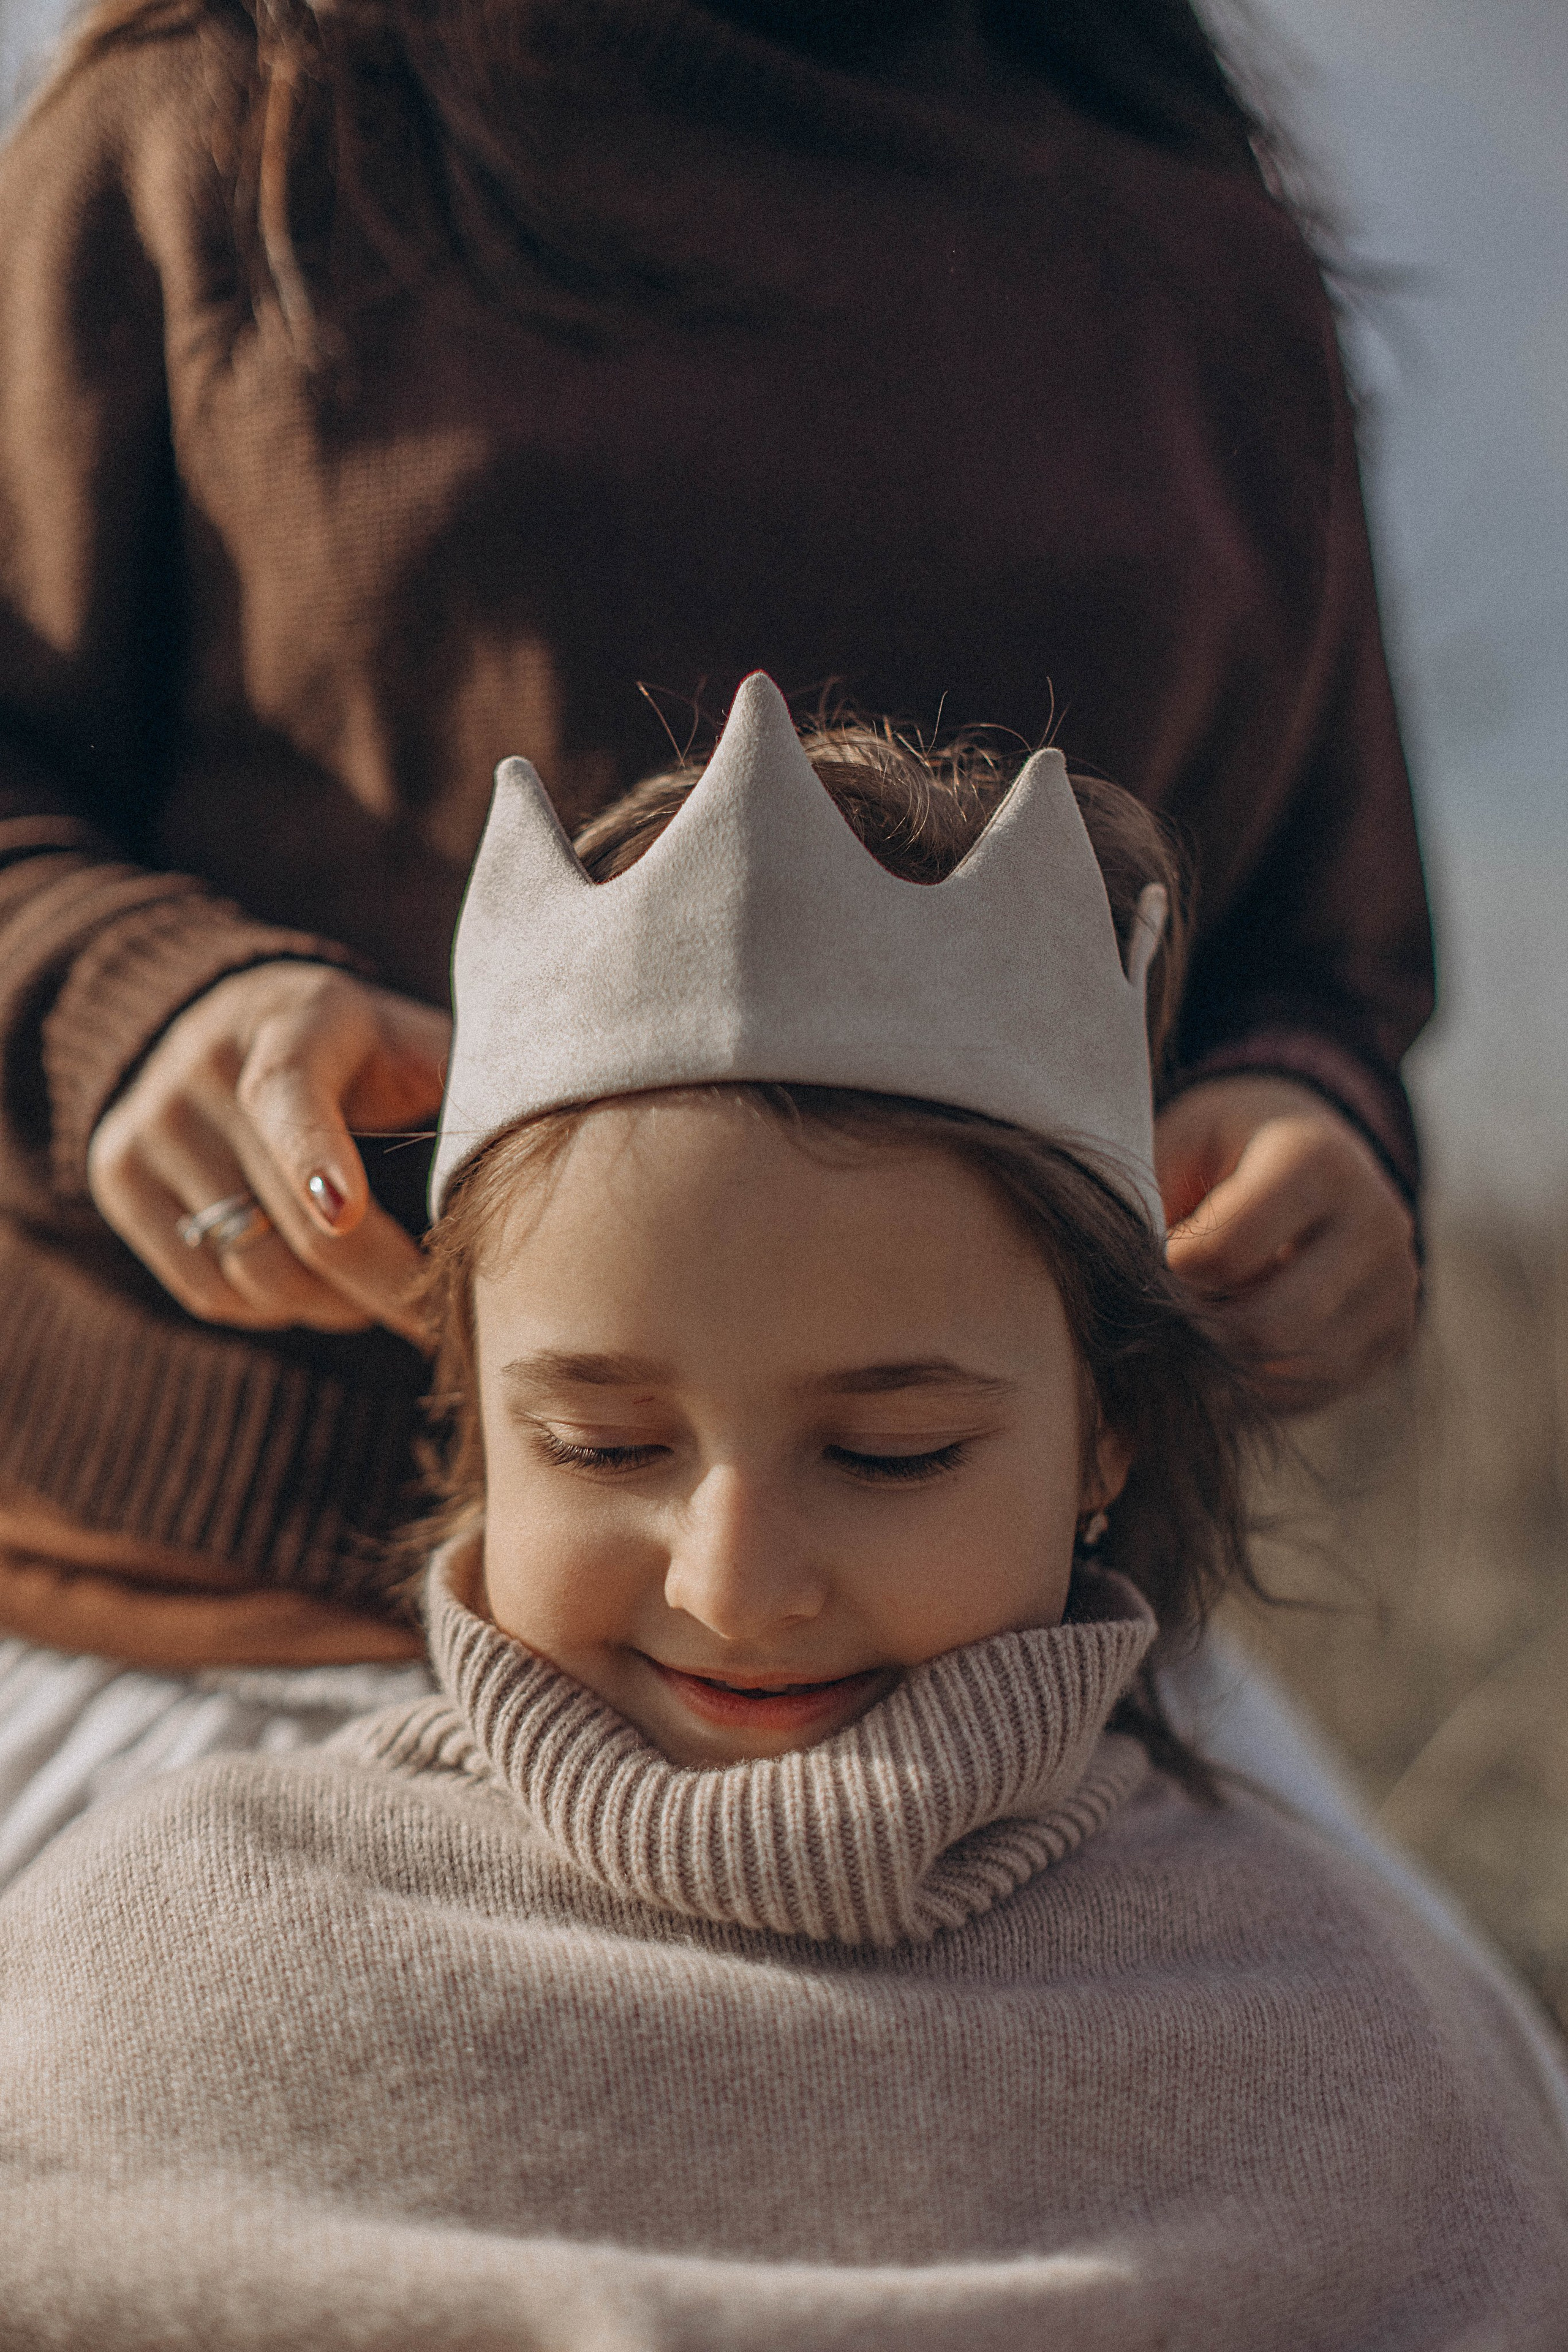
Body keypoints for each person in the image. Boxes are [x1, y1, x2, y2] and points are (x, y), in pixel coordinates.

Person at [0, 678, 1555, 2351]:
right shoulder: (168, 1957)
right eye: (602, 1445)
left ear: (1112, 1433)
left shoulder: (1346, 2041)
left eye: (891, 1457)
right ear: (465, 1404)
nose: (735, 1590)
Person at [0, 0, 1428, 1692]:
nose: (729, 1586)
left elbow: (1320, 947)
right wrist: (134, 1003)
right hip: (212, 1627)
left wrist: (1304, 1115)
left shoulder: (1205, 268)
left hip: (1015, 1677)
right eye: (607, 1442)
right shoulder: (231, 124)